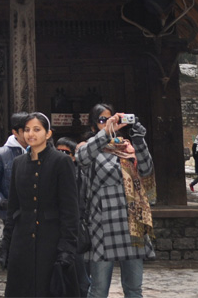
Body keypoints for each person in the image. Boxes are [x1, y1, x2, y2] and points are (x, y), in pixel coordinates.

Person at [76, 103, 155, 298]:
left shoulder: (127, 147)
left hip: (132, 224)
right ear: (94, 125)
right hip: (102, 225)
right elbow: (82, 158)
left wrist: (139, 139)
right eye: (102, 120)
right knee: (98, 290)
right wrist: (104, 134)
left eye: (111, 119)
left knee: (134, 289)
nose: (107, 123)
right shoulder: (90, 148)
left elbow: (146, 171)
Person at [6, 112, 80, 298]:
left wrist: (66, 249)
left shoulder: (61, 161)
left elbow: (70, 210)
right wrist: (6, 244)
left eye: (37, 129)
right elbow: (13, 208)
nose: (31, 134)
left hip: (51, 243)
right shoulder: (18, 163)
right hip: (21, 243)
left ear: (48, 134)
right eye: (27, 130)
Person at [0, 111, 31, 268]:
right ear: (15, 132)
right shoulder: (2, 154)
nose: (29, 134)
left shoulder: (39, 151)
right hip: (13, 212)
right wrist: (2, 201)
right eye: (25, 130)